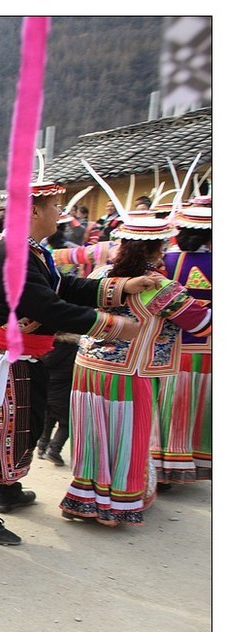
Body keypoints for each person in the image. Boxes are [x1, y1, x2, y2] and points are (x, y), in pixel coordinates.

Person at [0, 174, 157, 546]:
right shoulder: (12, 254)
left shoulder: (32, 250)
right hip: (0, 361)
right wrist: (112, 325)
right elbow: (46, 305)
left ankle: (5, 489)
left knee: (23, 427)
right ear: (35, 210)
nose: (60, 213)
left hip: (20, 357)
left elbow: (61, 287)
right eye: (56, 206)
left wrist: (118, 287)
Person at [60, 212, 211, 526]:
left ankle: (86, 499)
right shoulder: (160, 287)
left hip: (88, 367)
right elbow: (201, 323)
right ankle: (117, 507)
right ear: (157, 250)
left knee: (92, 435)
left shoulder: (102, 273)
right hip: (131, 374)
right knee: (130, 436)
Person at [152, 203, 212, 485]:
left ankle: (160, 465)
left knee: (163, 406)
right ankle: (188, 462)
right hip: (204, 349)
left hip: (166, 348)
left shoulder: (164, 263)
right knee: (193, 408)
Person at [34, 332, 80, 466]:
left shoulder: (49, 344)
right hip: (63, 391)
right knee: (66, 423)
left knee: (48, 419)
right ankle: (54, 449)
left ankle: (42, 446)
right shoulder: (74, 348)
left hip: (47, 388)